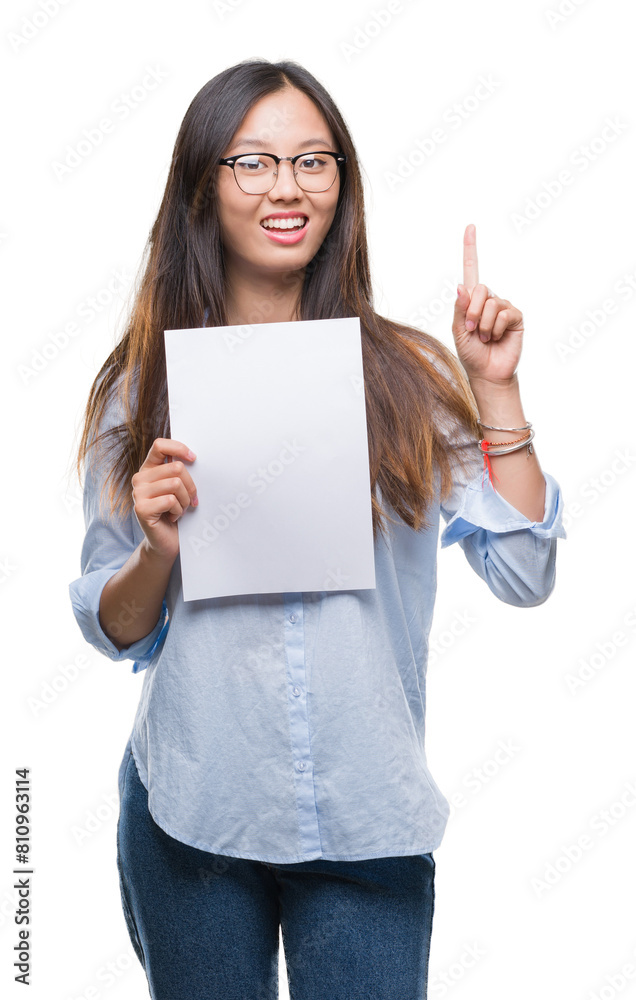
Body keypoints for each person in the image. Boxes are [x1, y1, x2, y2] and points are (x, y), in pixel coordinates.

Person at [68, 58, 567, 1000]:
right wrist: (155, 550)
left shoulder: (406, 377)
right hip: (195, 807)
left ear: (343, 183)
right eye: (251, 163)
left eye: (314, 160)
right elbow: (110, 623)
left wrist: (494, 388)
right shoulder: (143, 387)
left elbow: (526, 569)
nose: (287, 187)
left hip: (364, 813)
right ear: (201, 185)